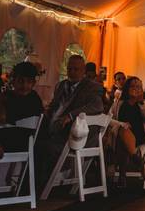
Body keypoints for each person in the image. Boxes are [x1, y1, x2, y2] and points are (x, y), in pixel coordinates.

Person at [36, 54, 106, 182]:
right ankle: (32, 184)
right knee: (32, 140)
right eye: (69, 69)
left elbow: (97, 106)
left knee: (42, 147)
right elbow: (54, 105)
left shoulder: (92, 87)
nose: (72, 72)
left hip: (72, 136)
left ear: (83, 71)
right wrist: (47, 111)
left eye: (76, 69)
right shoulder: (61, 85)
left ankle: (43, 185)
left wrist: (71, 115)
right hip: (53, 130)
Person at [0, 61, 44, 158]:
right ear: (13, 81)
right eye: (20, 81)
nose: (24, 85)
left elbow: (0, 119)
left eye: (28, 82)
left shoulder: (33, 99)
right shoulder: (9, 96)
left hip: (13, 143)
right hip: (9, 141)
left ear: (33, 83)